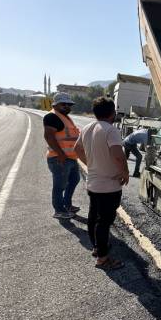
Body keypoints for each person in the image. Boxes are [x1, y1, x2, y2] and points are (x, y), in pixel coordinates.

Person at [74, 97, 129, 270]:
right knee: (104, 221)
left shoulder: (87, 128)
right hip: (109, 186)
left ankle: (97, 248)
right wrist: (124, 172)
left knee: (94, 217)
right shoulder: (110, 130)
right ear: (112, 113)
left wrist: (91, 164)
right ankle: (103, 258)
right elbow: (118, 155)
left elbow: (76, 149)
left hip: (93, 183)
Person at [43, 92, 81, 220]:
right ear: (56, 104)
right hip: (59, 158)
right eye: (63, 104)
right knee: (59, 186)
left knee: (74, 180)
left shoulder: (66, 117)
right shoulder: (52, 117)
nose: (67, 106)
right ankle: (59, 210)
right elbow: (48, 136)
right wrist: (61, 154)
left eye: (69, 104)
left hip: (70, 158)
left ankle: (67, 205)